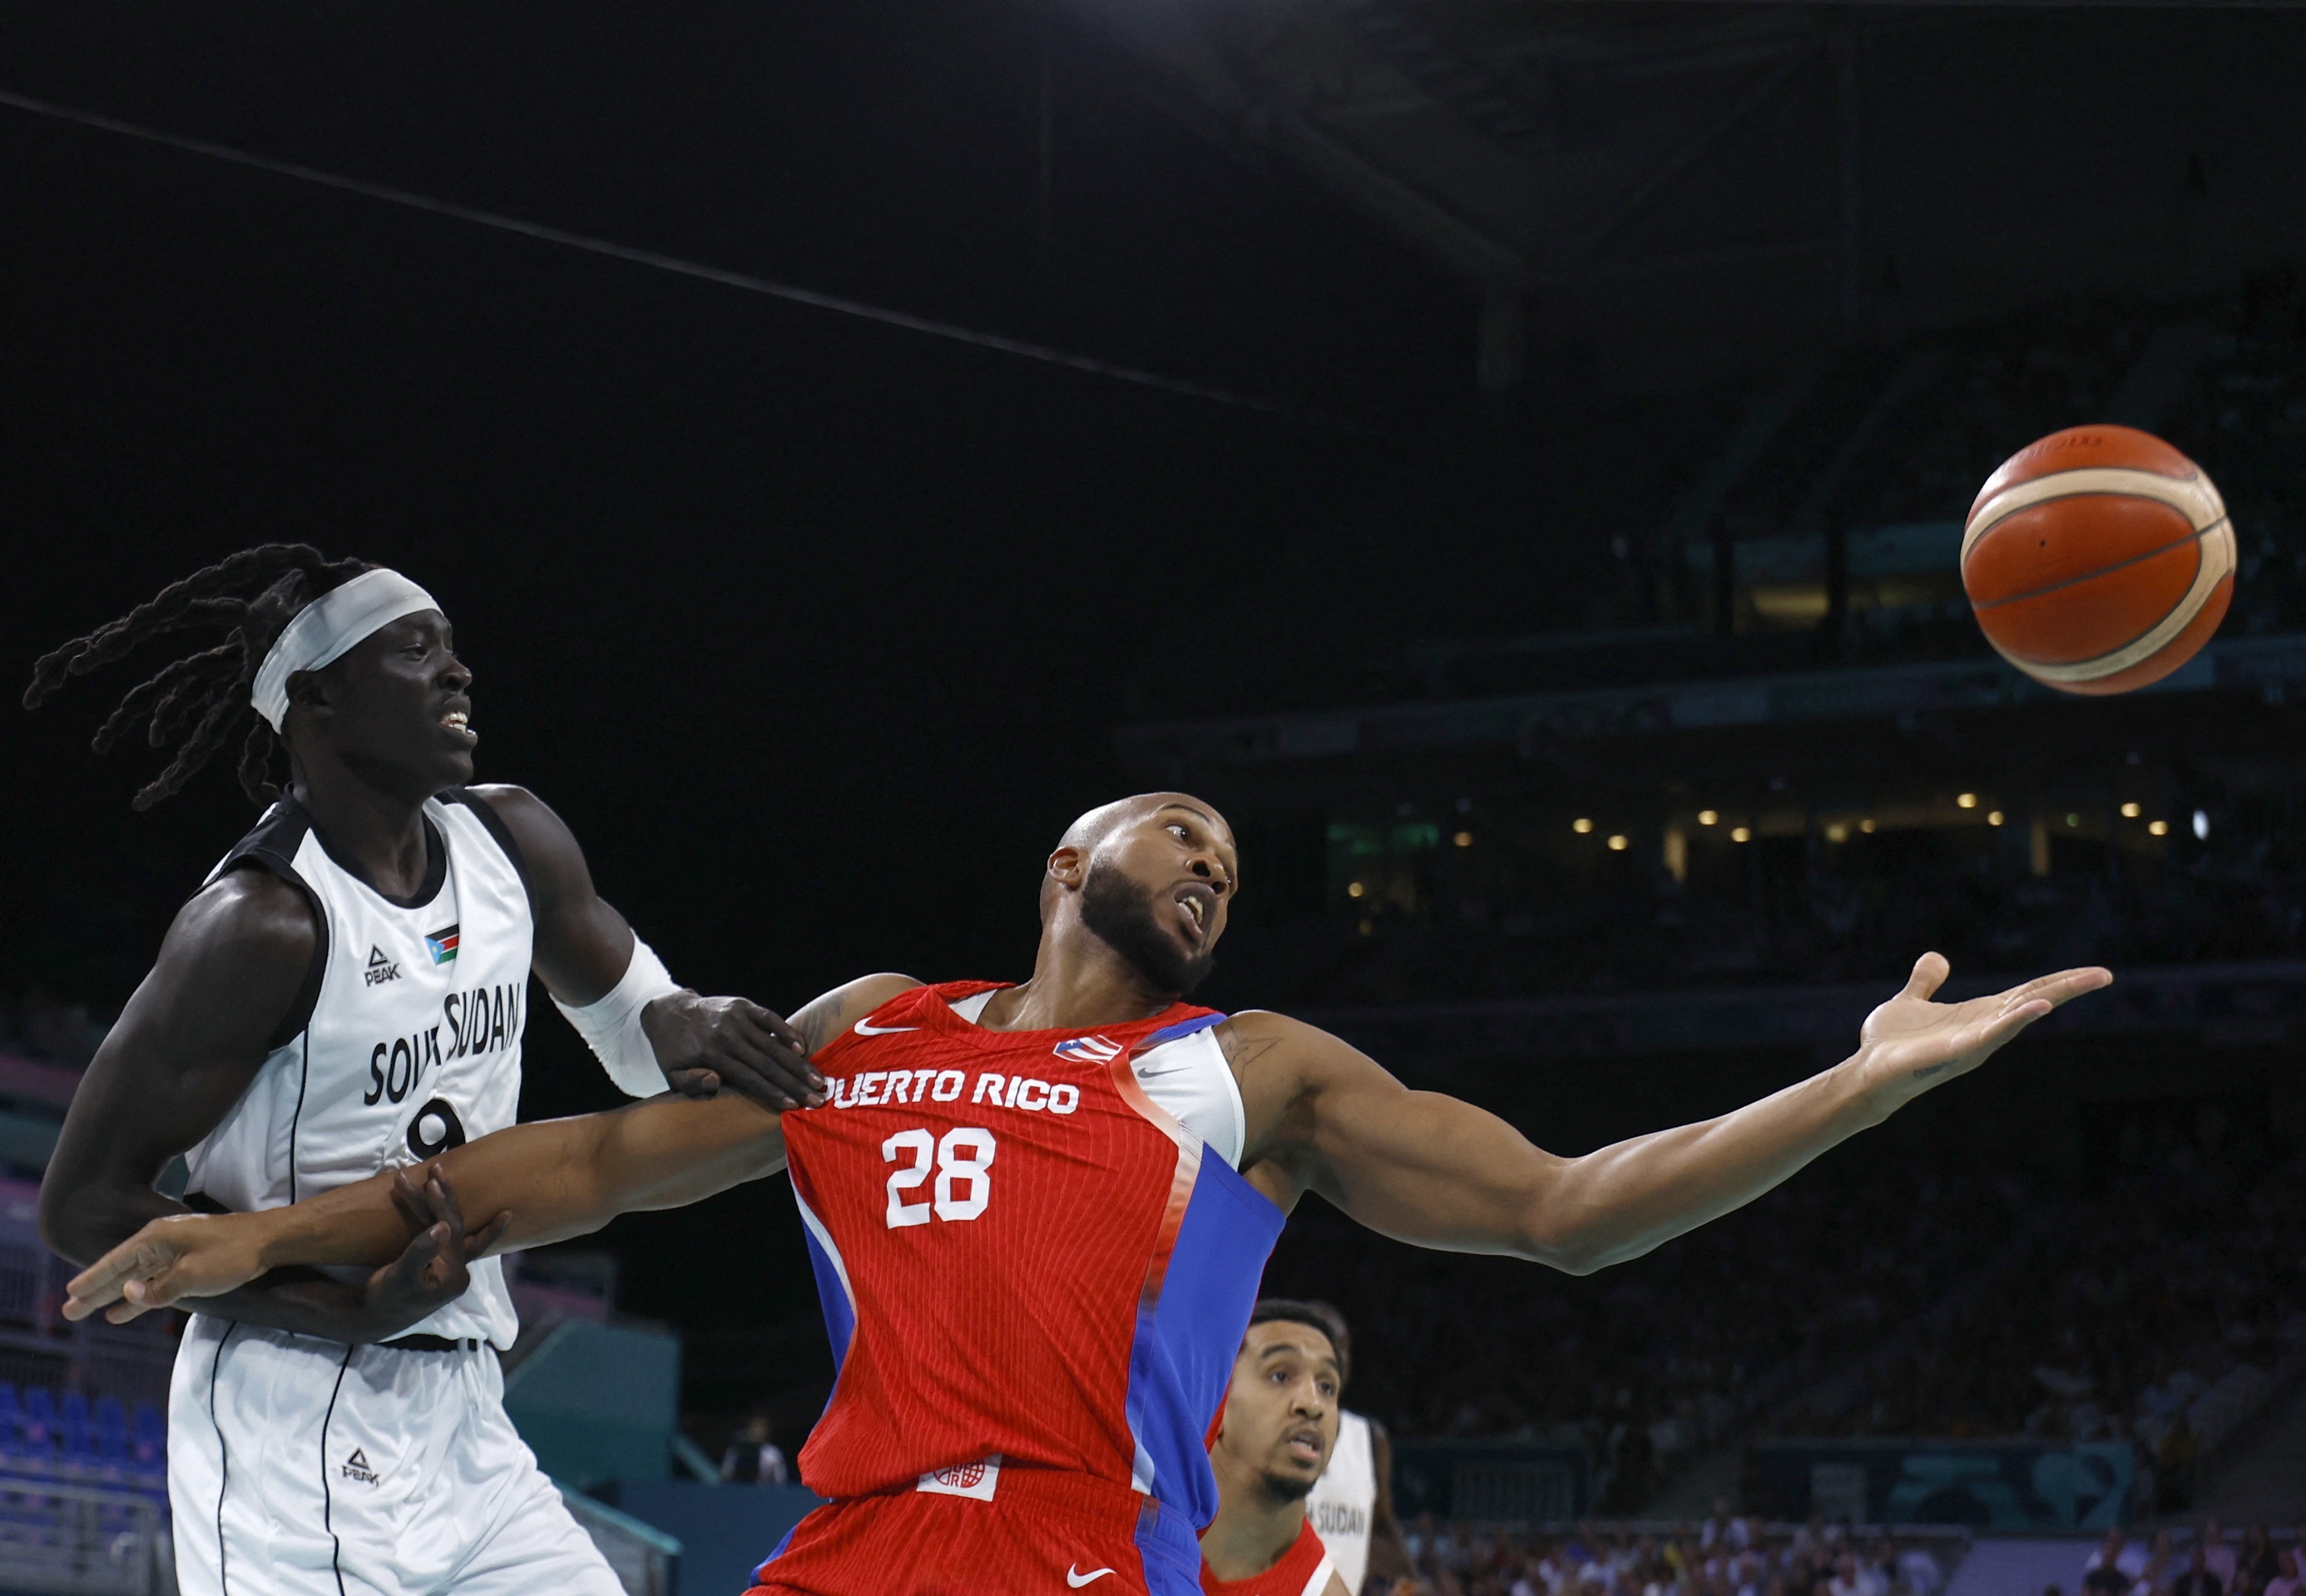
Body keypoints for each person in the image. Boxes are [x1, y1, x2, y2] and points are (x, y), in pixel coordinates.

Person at [62, 793, 2110, 1596]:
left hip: (1067, 1550)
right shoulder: (866, 1025)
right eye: (1178, 834)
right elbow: (582, 1164)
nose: (1213, 864)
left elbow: (1568, 1205)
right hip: (843, 1546)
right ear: (1064, 861)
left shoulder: (1252, 1070)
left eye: (1232, 862)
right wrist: (269, 1232)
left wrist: (1852, 1086)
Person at [24, 548, 820, 1596]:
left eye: (451, 647)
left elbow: (636, 1038)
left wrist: (686, 1017)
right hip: (296, 1412)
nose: (457, 672)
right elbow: (81, 1206)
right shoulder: (260, 923)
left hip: (464, 1405)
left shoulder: (513, 838)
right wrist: (347, 1307)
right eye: (414, 649)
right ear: (317, 697)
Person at [1199, 1301, 1353, 1596]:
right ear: (1216, 1401)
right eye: (1280, 1376)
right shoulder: (1128, 1537)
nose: (1313, 1404)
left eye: (1327, 1387)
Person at [1296, 1303, 1411, 1595]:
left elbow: (1382, 1528)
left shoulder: (1369, 1440)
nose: (1337, 1355)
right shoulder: (1265, 1433)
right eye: (1325, 1344)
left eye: (1343, 1346)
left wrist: (1410, 1584)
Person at [723, 1413, 792, 1486]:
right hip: (738, 1489)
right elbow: (726, 1475)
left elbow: (781, 1481)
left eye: (760, 1428)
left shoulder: (773, 1454)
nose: (757, 1431)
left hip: (764, 1490)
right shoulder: (736, 1450)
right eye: (754, 1427)